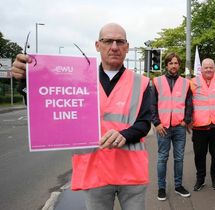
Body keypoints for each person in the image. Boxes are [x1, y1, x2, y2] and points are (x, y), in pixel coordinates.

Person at [12, 23, 151, 210]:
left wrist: (125, 134)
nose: (114, 46)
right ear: (97, 45)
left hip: (131, 173)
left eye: (120, 41)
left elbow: (144, 122)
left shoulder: (142, 82)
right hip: (94, 173)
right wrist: (25, 81)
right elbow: (48, 107)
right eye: (108, 41)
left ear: (127, 47)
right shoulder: (77, 80)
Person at [151, 52, 192, 201]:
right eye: (171, 63)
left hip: (179, 127)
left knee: (179, 158)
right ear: (166, 65)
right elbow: (152, 104)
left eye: (176, 63)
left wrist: (186, 120)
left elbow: (189, 103)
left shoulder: (186, 83)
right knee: (162, 158)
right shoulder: (157, 81)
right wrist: (156, 123)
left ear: (179, 65)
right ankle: (161, 188)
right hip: (163, 127)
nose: (173, 66)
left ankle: (178, 185)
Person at [190, 58, 215, 191]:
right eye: (206, 67)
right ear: (201, 69)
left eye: (211, 67)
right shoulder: (193, 82)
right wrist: (188, 120)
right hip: (199, 126)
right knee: (199, 155)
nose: (208, 70)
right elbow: (188, 103)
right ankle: (200, 179)